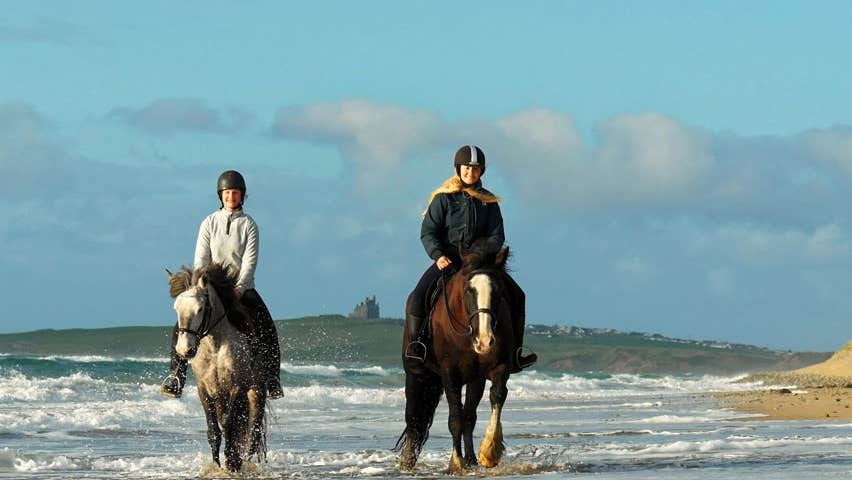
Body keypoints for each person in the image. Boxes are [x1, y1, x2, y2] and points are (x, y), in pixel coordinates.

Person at [405, 145, 536, 373]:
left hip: (480, 264)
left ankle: (515, 353)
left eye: (475, 169)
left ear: (481, 172)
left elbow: (497, 235)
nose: (470, 173)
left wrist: (482, 256)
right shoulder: (444, 198)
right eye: (466, 168)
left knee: (518, 295)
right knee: (418, 295)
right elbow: (428, 232)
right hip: (449, 260)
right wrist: (437, 255)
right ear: (458, 168)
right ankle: (417, 347)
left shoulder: (489, 201)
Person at [160, 170, 283, 399]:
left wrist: (240, 287)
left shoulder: (249, 225)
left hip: (240, 288)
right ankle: (177, 376)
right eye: (227, 193)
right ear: (220, 195)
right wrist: (202, 286)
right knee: (183, 325)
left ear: (242, 196)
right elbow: (201, 260)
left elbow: (249, 261)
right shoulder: (209, 222)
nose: (231, 197)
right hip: (212, 287)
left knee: (267, 326)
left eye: (235, 193)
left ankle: (272, 378)